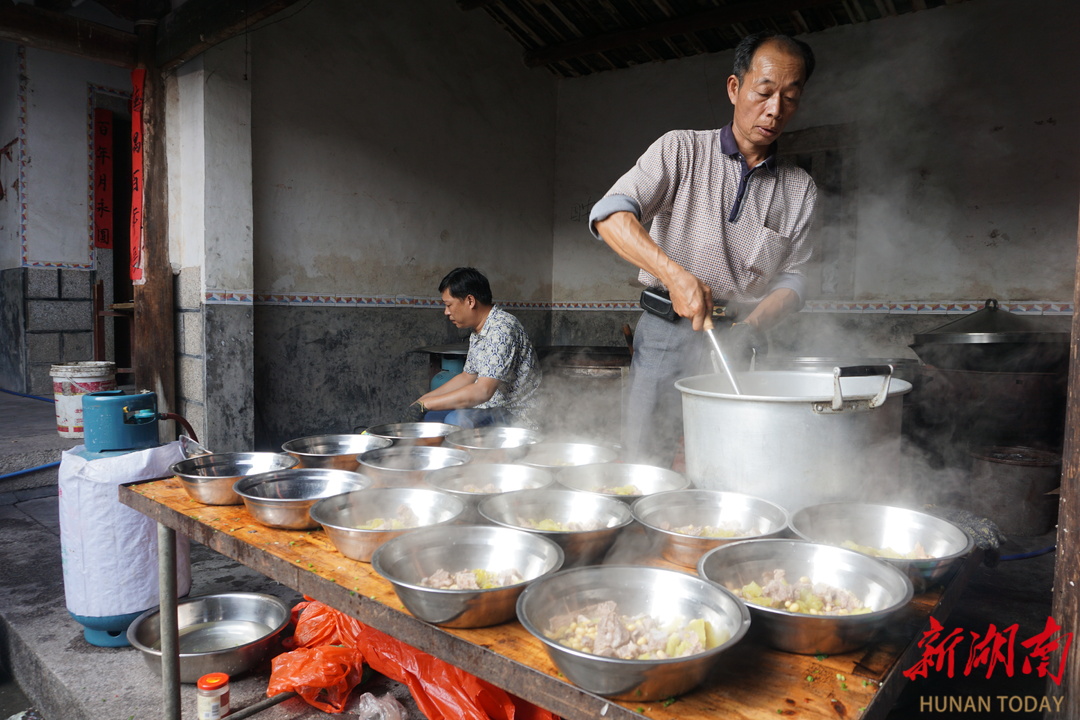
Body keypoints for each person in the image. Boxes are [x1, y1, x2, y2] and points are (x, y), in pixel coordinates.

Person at [589, 30, 818, 466]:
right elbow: (609, 215)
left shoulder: (799, 188)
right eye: (764, 92)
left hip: (740, 339)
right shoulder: (682, 150)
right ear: (734, 88)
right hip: (665, 332)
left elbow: (796, 279)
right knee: (646, 458)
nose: (775, 110)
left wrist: (753, 327)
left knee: (730, 460)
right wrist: (675, 277)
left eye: (790, 98)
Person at [406, 267, 541, 429]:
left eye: (449, 305)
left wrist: (426, 405)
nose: (446, 312)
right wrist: (421, 402)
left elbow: (483, 391)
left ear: (470, 301)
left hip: (516, 414)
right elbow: (467, 377)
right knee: (431, 416)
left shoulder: (502, 329)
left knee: (456, 420)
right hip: (489, 407)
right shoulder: (478, 332)